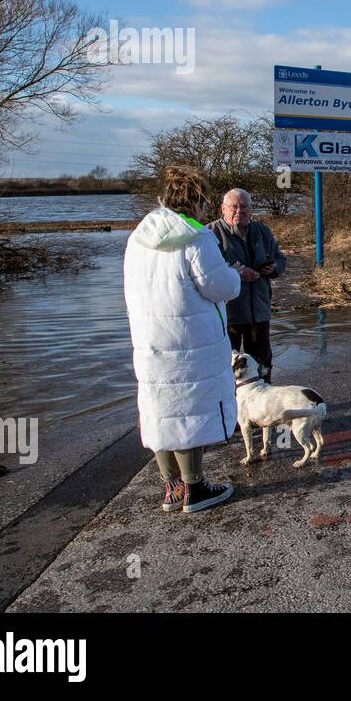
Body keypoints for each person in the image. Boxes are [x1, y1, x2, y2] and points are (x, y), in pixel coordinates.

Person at [124, 166, 240, 514]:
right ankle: (195, 488)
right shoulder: (195, 238)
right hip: (191, 343)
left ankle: (172, 489)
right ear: (200, 202)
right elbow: (221, 287)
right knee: (190, 408)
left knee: (161, 409)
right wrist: (233, 271)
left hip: (150, 341)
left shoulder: (138, 237)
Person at [207, 188, 286, 380]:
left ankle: (264, 402)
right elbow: (205, 272)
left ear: (251, 210)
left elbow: (280, 258)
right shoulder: (209, 234)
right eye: (234, 207)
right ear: (223, 209)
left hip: (258, 310)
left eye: (244, 207)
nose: (239, 211)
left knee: (262, 363)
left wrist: (274, 266)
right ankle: (229, 406)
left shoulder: (262, 231)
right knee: (224, 365)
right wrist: (236, 273)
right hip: (227, 313)